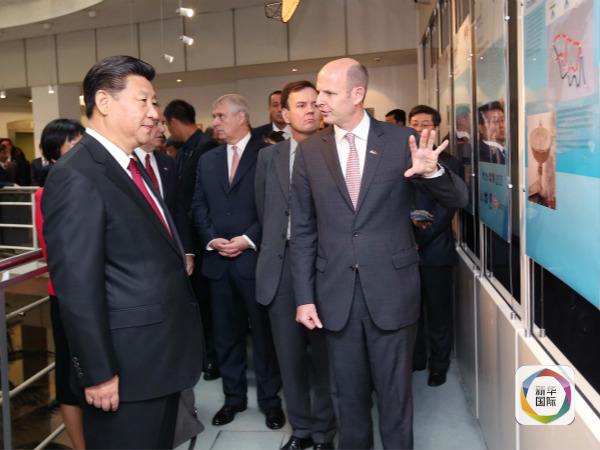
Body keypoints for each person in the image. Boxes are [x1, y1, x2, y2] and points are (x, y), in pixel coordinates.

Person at [290, 58, 468, 449]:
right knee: (347, 400)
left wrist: (432, 172)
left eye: (328, 92)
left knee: (395, 398)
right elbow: (302, 230)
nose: (319, 101)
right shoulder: (310, 152)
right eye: (319, 92)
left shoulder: (401, 141)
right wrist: (304, 297)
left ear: (357, 94)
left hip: (392, 291)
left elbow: (458, 198)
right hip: (335, 295)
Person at [42, 55, 204, 449]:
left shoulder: (132, 166)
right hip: (124, 370)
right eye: (143, 101)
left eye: (154, 102)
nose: (155, 113)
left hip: (159, 357)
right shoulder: (76, 174)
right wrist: (98, 373)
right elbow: (77, 288)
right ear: (104, 102)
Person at [192, 94, 284, 429]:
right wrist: (211, 238)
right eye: (214, 116)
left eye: (220, 116)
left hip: (256, 261)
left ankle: (270, 401)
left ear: (241, 116)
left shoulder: (267, 154)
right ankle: (233, 399)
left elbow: (277, 206)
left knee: (264, 336)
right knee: (225, 336)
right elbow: (198, 205)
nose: (214, 122)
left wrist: (248, 239)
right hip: (218, 263)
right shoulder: (208, 160)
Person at [255, 80, 336, 450]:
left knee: (325, 357)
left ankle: (324, 432)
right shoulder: (268, 158)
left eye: (314, 103)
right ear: (284, 115)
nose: (310, 110)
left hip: (324, 265)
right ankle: (301, 430)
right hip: (280, 267)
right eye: (300, 105)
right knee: (288, 357)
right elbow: (264, 211)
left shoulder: (335, 151)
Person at [34, 119, 85, 449]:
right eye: (73, 143)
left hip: (102, 296)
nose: (82, 149)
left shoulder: (94, 185)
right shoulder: (45, 195)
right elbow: (52, 251)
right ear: (54, 155)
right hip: (67, 298)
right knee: (70, 377)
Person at [164, 99, 220, 381]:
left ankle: (213, 357)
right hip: (189, 240)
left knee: (209, 305)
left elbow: (199, 198)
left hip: (204, 242)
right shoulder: (184, 150)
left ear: (174, 121)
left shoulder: (205, 149)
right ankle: (203, 354)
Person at [408, 105, 461, 387]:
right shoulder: (401, 160)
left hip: (436, 251)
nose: (419, 128)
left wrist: (419, 240)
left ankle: (439, 365)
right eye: (414, 123)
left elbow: (446, 209)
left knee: (439, 313)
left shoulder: (449, 163)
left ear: (436, 128)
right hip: (405, 252)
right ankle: (416, 358)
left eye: (425, 123)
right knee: (410, 311)